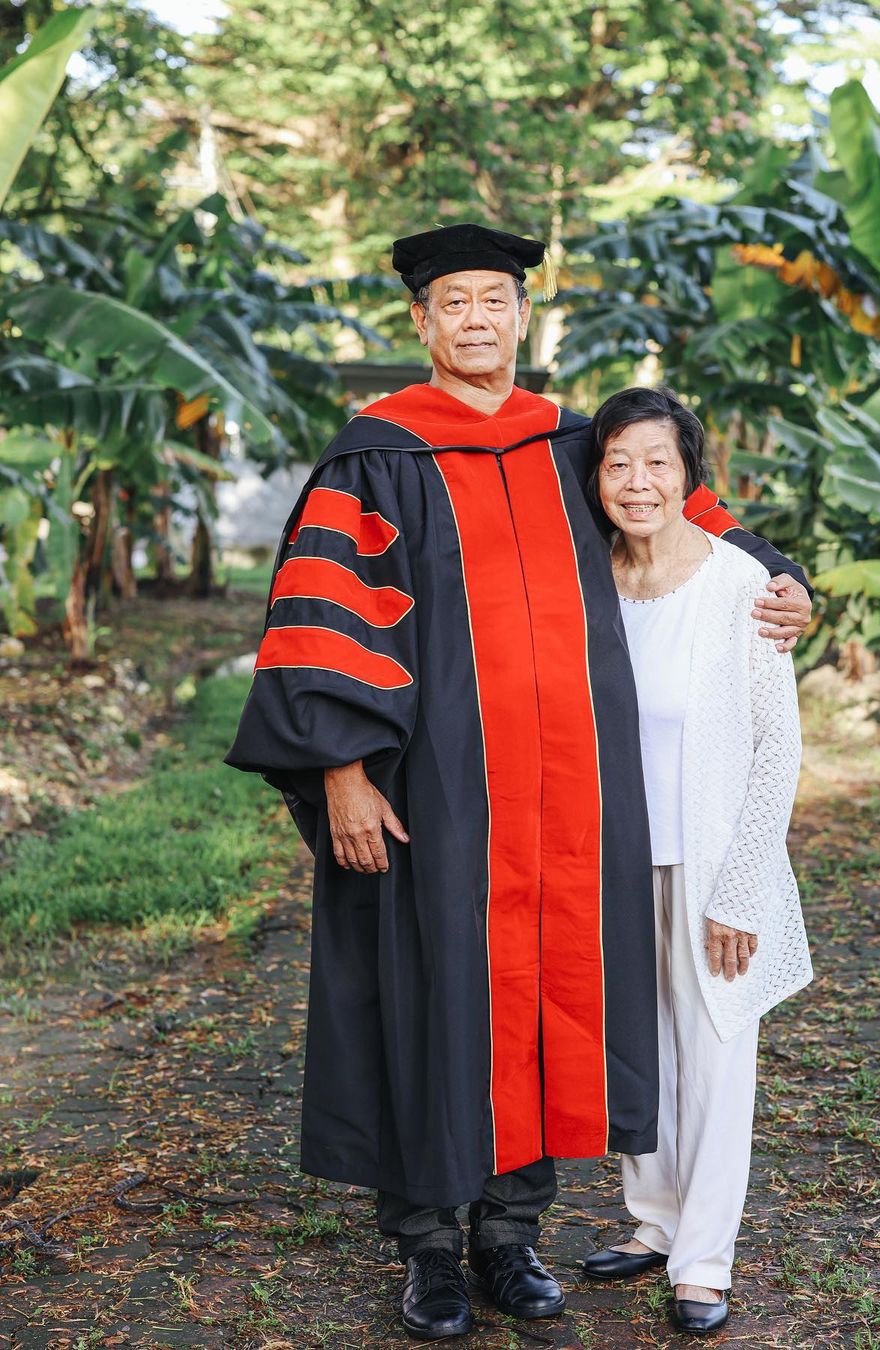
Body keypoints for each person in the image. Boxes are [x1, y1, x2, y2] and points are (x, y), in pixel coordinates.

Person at [226, 223, 813, 1342]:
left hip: (572, 802)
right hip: (442, 796)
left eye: (496, 298)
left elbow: (676, 506)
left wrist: (782, 575)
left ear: (521, 314)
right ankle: (431, 1247)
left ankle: (512, 1235)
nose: (479, 319)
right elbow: (317, 622)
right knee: (437, 992)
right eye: (456, 303)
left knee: (543, 1003)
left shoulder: (570, 442)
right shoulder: (379, 454)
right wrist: (342, 772)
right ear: (423, 322)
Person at [580, 386, 813, 1335]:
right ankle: (651, 1221)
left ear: (689, 475)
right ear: (595, 477)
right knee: (635, 1044)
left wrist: (743, 886)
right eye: (618, 464)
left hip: (712, 858)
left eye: (658, 463)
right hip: (612, 859)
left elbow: (777, 747)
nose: (638, 483)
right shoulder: (588, 581)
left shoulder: (739, 590)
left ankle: (703, 1259)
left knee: (716, 1052)